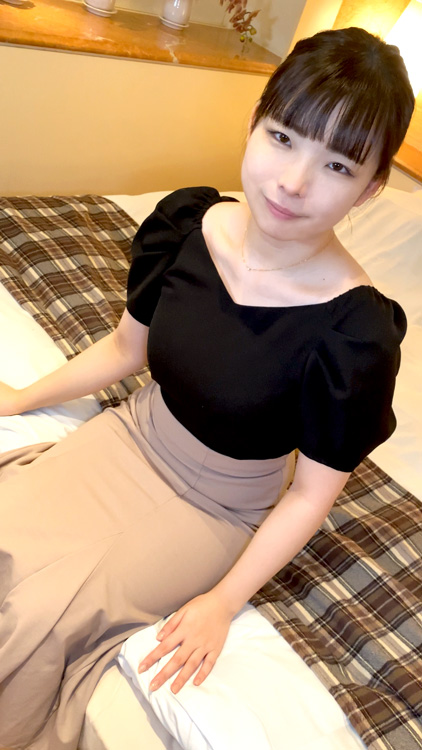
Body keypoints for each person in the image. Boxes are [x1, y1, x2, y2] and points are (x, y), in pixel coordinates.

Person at [0, 26, 415, 750]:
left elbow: (309, 496)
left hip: (213, 506)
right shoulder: (189, 224)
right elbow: (126, 350)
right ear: (254, 123)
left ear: (371, 187)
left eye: (338, 165)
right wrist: (19, 399)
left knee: (34, 619)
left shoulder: (355, 334)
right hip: (130, 434)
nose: (292, 182)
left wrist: (223, 602)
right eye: (283, 138)